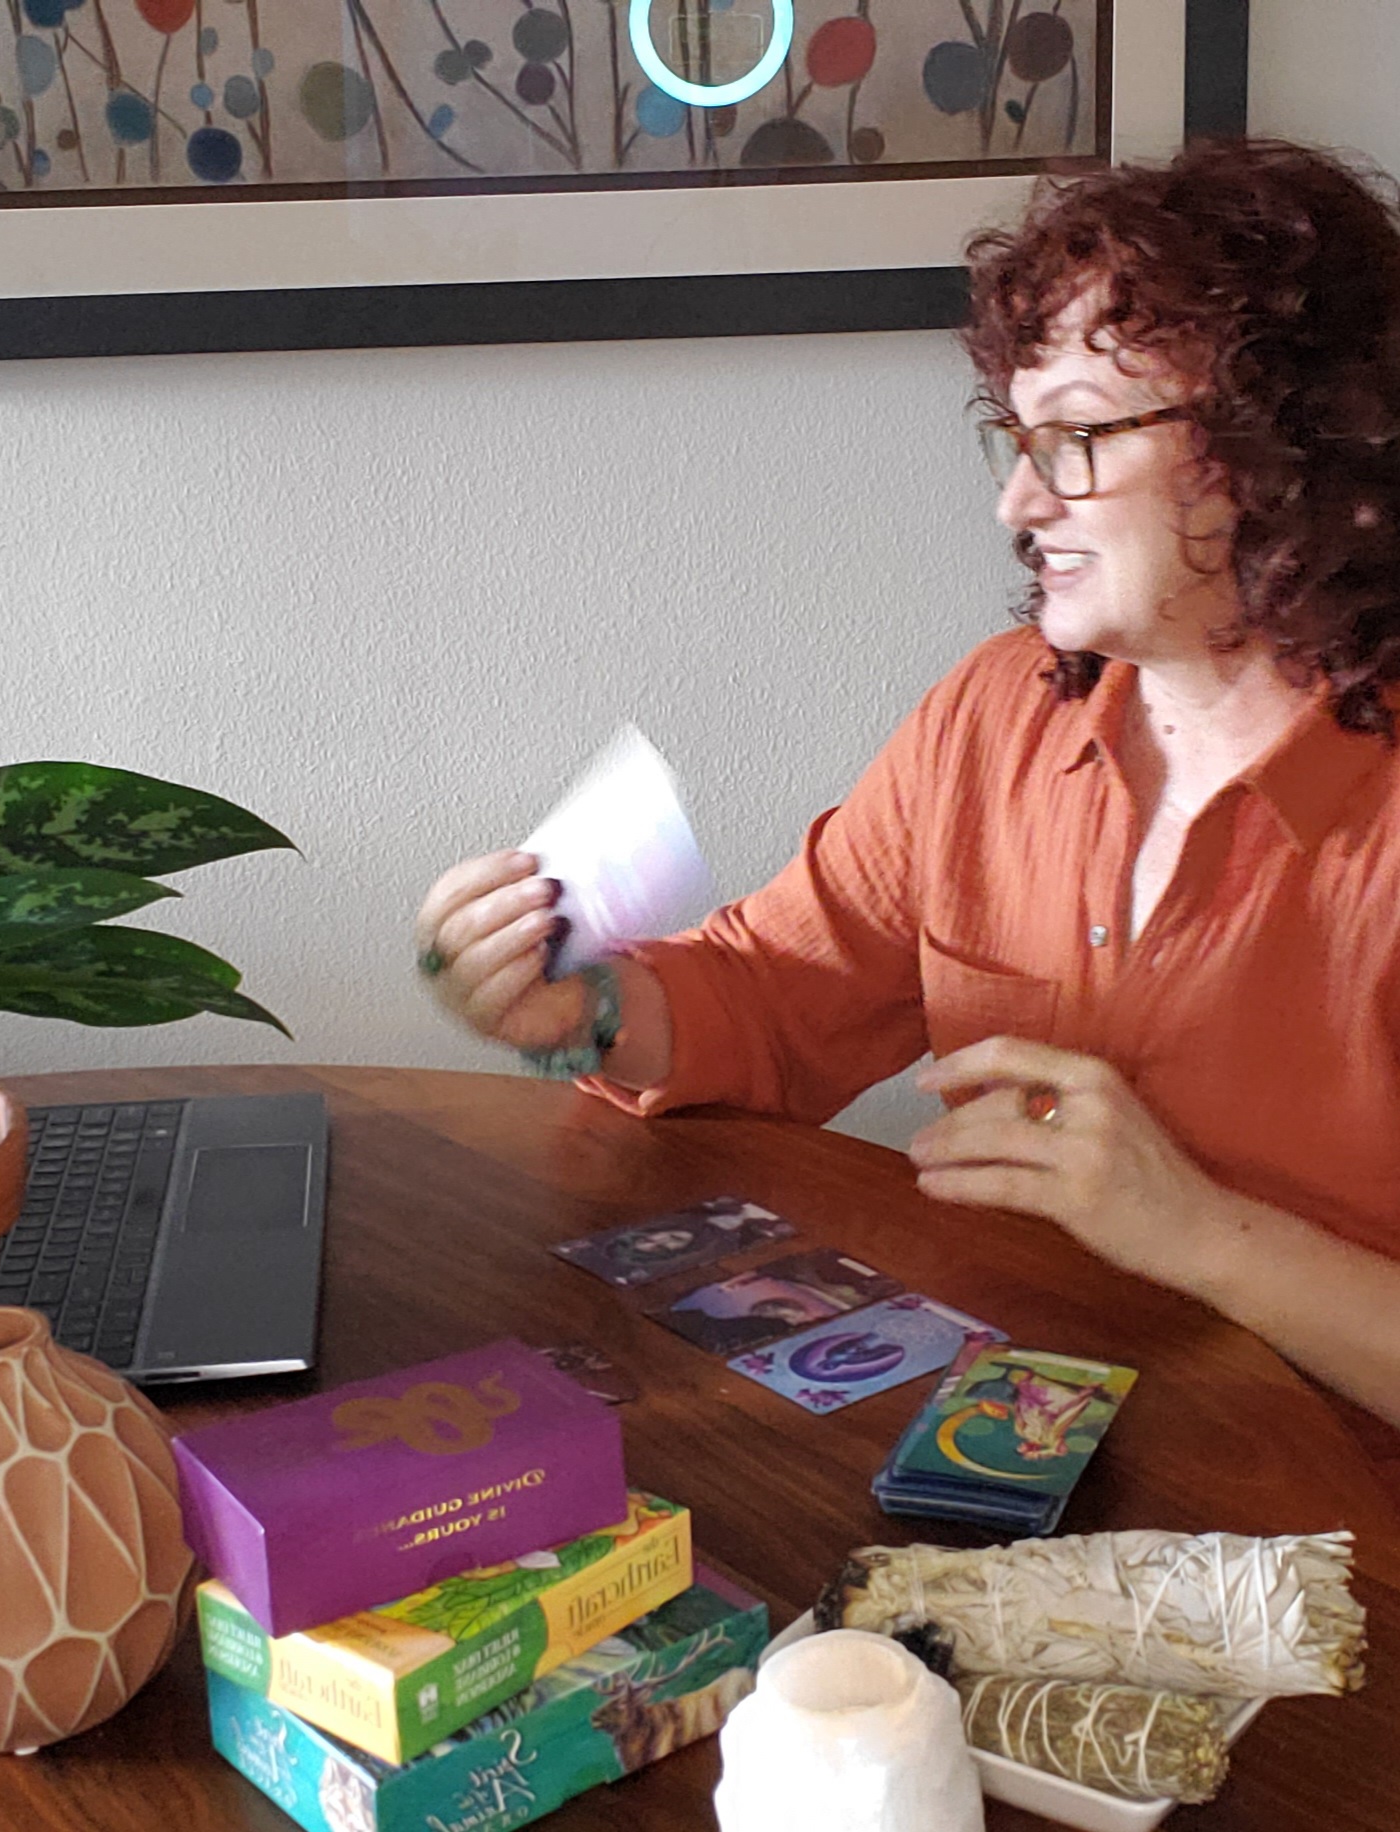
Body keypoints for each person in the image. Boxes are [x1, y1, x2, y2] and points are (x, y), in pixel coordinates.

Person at [414, 138, 1400, 1430]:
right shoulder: (994, 717)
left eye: (1080, 439)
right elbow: (779, 1000)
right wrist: (580, 1006)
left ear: (1296, 449)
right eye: (1017, 437)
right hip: (1006, 1449)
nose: (1015, 503)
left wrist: (1199, 1233)